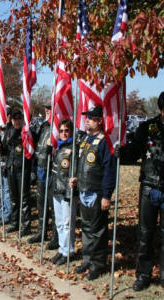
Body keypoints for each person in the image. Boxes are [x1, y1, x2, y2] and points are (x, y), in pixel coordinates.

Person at [119, 91, 164, 291]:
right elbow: (134, 152)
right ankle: (143, 275)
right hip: (149, 186)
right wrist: (122, 152)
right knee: (145, 233)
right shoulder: (147, 128)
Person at [69, 106, 116, 280]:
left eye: (90, 118)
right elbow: (85, 165)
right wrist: (77, 179)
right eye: (86, 117)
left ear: (99, 121)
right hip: (84, 190)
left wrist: (106, 195)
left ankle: (98, 264)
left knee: (98, 230)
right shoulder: (86, 139)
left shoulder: (105, 141)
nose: (86, 120)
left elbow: (109, 171)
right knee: (87, 228)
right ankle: (88, 260)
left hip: (96, 193)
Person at [28, 101, 58, 250]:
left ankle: (55, 236)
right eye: (46, 108)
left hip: (53, 172)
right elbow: (37, 148)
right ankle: (42, 232)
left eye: (50, 108)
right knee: (41, 203)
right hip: (40, 169)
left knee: (53, 205)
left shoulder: (60, 128)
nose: (47, 110)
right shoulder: (44, 126)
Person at [50, 119, 77, 266]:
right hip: (57, 189)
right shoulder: (59, 147)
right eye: (61, 131)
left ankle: (69, 251)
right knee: (59, 222)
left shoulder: (74, 148)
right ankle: (62, 248)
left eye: (66, 130)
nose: (64, 133)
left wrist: (72, 187)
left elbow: (74, 170)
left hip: (67, 191)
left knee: (67, 223)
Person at [4, 110, 32, 236]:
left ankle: (26, 226)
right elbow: (6, 149)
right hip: (11, 168)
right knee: (14, 198)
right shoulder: (10, 131)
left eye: (19, 119)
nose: (17, 121)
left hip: (22, 169)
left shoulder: (26, 132)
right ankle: (15, 223)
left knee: (24, 199)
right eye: (15, 119)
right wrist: (1, 142)